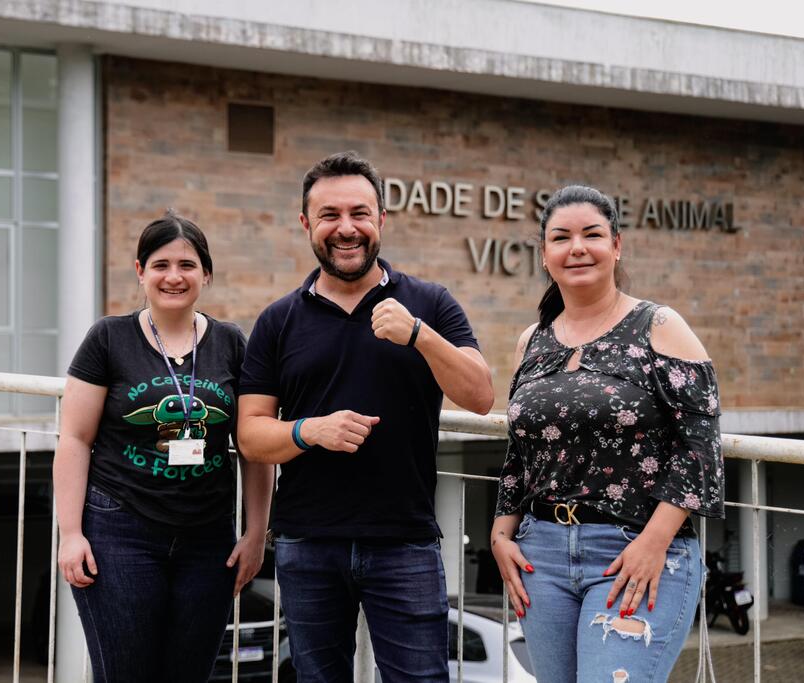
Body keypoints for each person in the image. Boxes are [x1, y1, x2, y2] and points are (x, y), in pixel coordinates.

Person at [237, 151, 494, 682]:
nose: (345, 228)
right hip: (307, 543)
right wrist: (311, 431)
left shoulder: (430, 302)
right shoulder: (278, 320)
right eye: (329, 215)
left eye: (359, 213)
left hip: (405, 542)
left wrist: (419, 335)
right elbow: (251, 436)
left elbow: (481, 395)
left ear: (381, 220)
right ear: (307, 224)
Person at [490, 185, 725, 683]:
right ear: (545, 255)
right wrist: (500, 532)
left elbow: (700, 448)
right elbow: (520, 452)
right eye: (561, 238)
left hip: (633, 551)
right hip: (541, 558)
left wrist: (654, 542)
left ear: (616, 245)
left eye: (592, 234)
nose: (577, 247)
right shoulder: (531, 341)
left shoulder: (659, 325)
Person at [54, 213, 274, 682]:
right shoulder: (108, 339)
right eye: (160, 264)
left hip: (208, 538)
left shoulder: (232, 343)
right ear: (140, 271)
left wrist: (256, 534)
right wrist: (70, 534)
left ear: (206, 274)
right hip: (120, 531)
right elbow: (74, 438)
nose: (174, 276)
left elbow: (255, 445)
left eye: (187, 265)